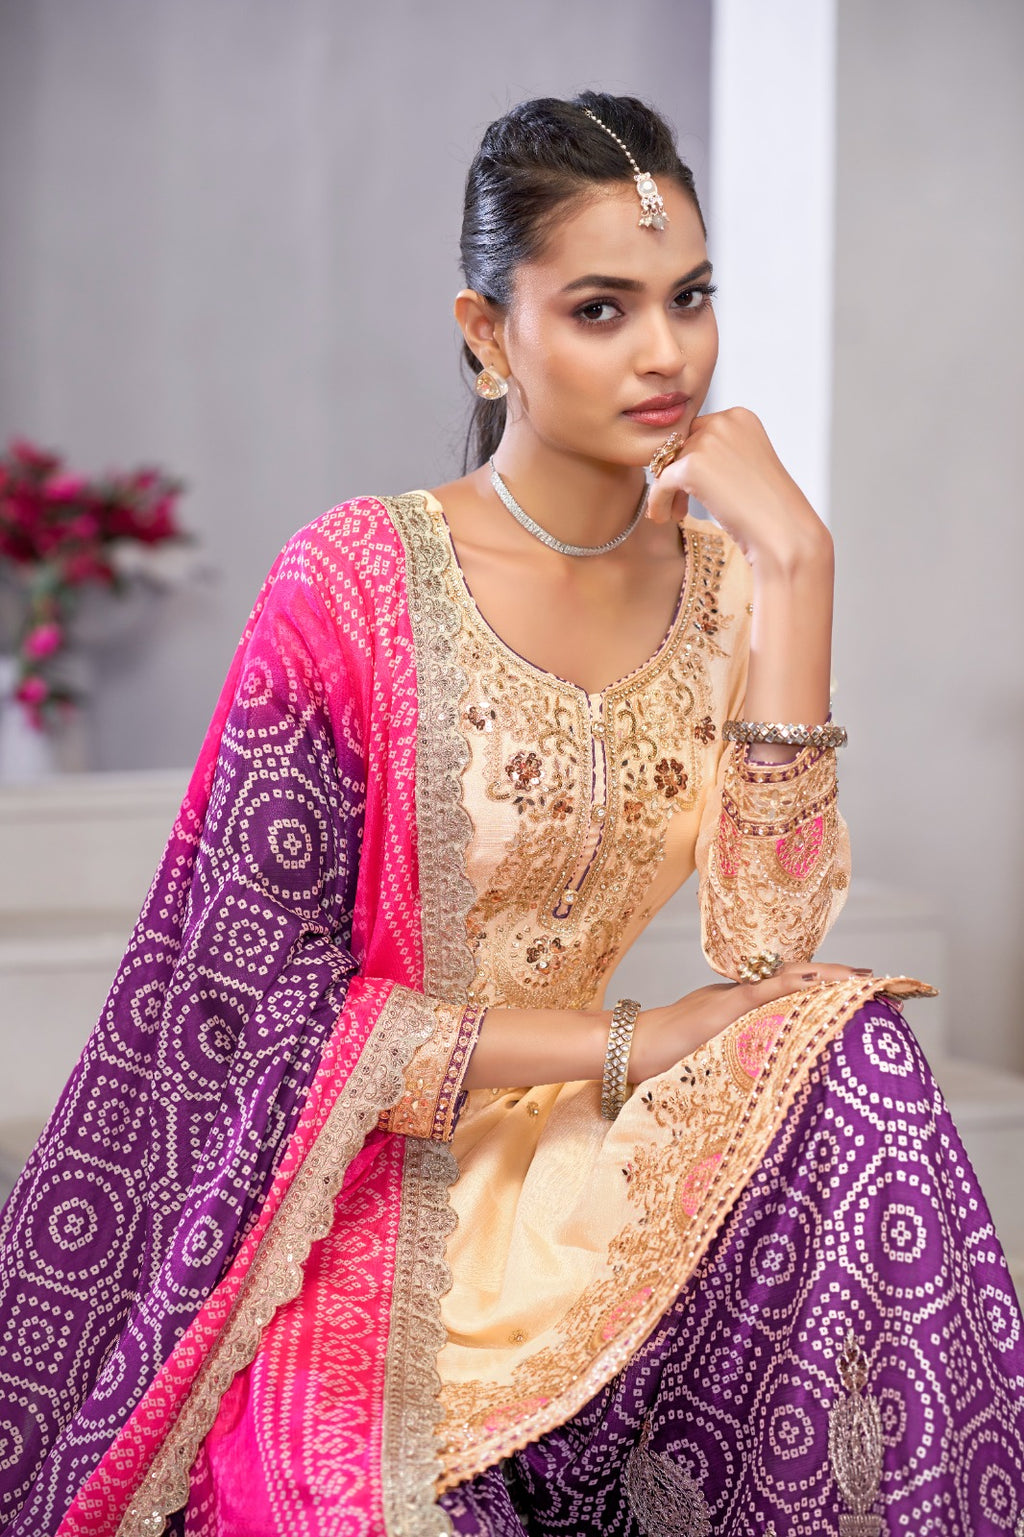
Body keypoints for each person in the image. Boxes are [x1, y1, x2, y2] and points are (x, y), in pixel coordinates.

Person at [0, 91, 1021, 1537]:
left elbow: (769, 933)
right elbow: (269, 1003)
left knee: (849, 1036)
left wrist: (799, 565)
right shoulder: (352, 582)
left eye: (691, 298)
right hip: (362, 1197)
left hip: (587, 1178)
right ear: (488, 332)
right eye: (602, 308)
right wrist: (633, 1039)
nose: (666, 353)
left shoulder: (730, 583)